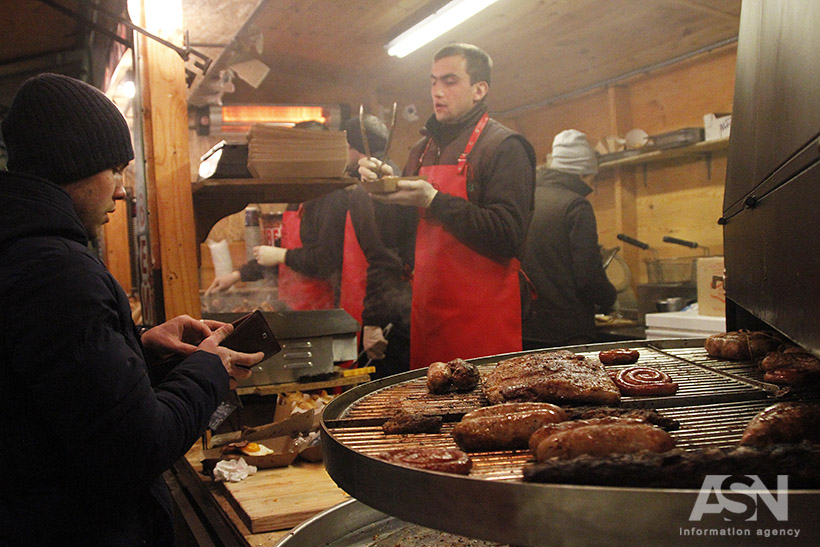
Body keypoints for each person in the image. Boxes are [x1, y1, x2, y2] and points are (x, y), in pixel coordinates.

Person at [0, 73, 263, 545]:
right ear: (75, 165)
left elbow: (60, 385)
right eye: (116, 169)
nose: (121, 191)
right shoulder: (57, 270)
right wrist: (210, 368)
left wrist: (137, 345)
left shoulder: (22, 250)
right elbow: (137, 449)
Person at [360, 43, 536, 369]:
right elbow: (395, 240)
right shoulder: (421, 149)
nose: (437, 91)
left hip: (482, 326)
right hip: (428, 319)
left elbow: (507, 233)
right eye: (433, 82)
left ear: (479, 89)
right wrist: (382, 192)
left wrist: (434, 200)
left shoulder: (504, 146)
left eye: (450, 81)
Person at [207, 121, 348, 311]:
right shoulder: (298, 196)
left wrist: (282, 255)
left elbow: (326, 260)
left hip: (322, 309)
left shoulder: (331, 198)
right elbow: (283, 251)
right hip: (293, 306)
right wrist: (237, 276)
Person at [521, 129, 617, 349]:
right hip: (567, 333)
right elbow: (587, 276)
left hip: (525, 327)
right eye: (592, 176)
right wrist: (610, 298)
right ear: (582, 173)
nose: (592, 183)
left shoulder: (526, 199)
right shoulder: (576, 206)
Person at [343, 115, 411, 378]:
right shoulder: (397, 176)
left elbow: (384, 257)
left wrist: (373, 321)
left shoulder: (369, 189)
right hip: (394, 307)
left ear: (356, 148)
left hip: (387, 316)